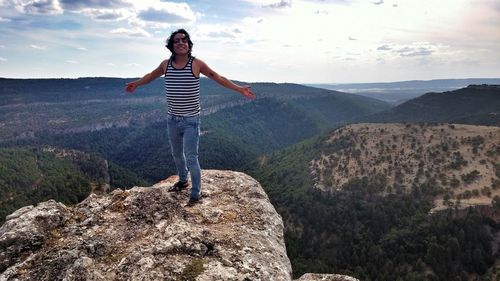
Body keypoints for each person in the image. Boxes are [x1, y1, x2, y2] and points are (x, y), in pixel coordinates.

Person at [125, 28, 256, 206]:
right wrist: (137, 84)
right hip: (172, 118)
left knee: (191, 157)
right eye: (177, 40)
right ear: (171, 45)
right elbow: (150, 76)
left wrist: (239, 89)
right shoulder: (166, 64)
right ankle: (183, 180)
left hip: (191, 121)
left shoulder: (196, 64)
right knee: (177, 154)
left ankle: (195, 193)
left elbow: (218, 77)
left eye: (184, 40)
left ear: (189, 44)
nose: (181, 43)